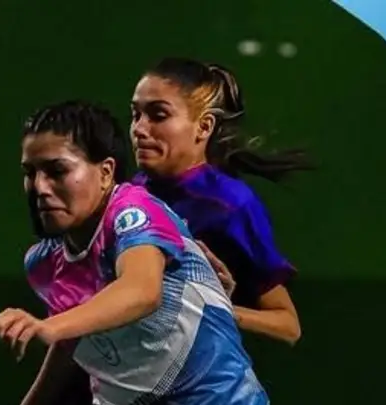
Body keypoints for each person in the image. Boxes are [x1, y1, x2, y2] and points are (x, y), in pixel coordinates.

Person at [0, 100, 269, 405]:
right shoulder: (44, 263)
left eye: (57, 170)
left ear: (105, 172)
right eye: (29, 172)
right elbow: (74, 338)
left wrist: (48, 326)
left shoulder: (134, 210)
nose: (39, 187)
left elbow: (142, 290)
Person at [129, 57, 314, 345]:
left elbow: (288, 326)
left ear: (204, 127)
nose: (139, 128)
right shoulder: (133, 191)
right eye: (135, 115)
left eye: (158, 115)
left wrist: (214, 308)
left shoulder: (231, 205)